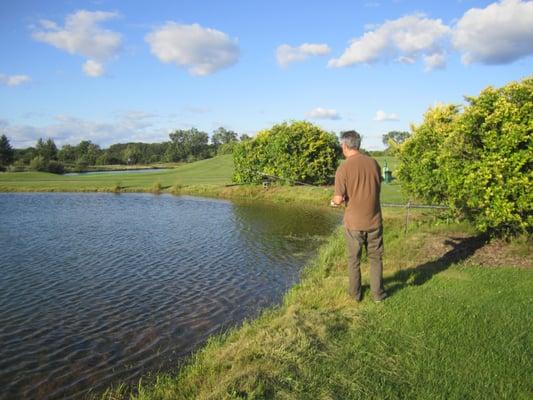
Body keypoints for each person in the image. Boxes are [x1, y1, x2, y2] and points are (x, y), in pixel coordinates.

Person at [331, 130, 387, 302]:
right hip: (374, 221)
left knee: (354, 260)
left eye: (341, 144)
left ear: (345, 146)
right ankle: (378, 295)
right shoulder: (374, 163)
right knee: (375, 259)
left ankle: (355, 296)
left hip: (354, 224)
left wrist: (334, 201)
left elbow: (339, 199)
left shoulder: (343, 167)